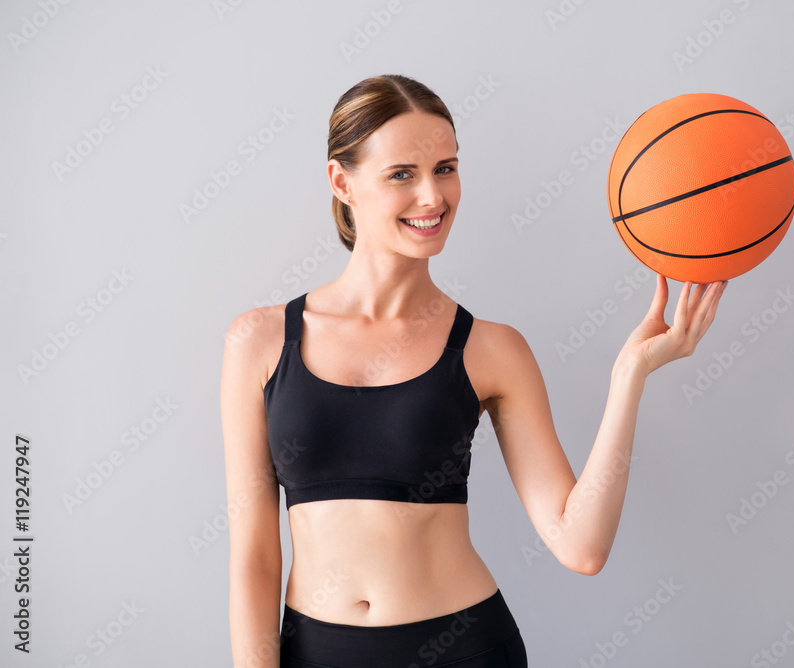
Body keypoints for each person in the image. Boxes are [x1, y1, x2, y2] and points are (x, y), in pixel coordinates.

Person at [220, 74, 727, 668]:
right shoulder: (259, 342)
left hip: (465, 650)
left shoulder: (491, 350)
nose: (433, 197)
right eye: (402, 174)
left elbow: (581, 545)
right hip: (317, 651)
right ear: (342, 182)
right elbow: (254, 558)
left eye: (446, 168)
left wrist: (630, 375)